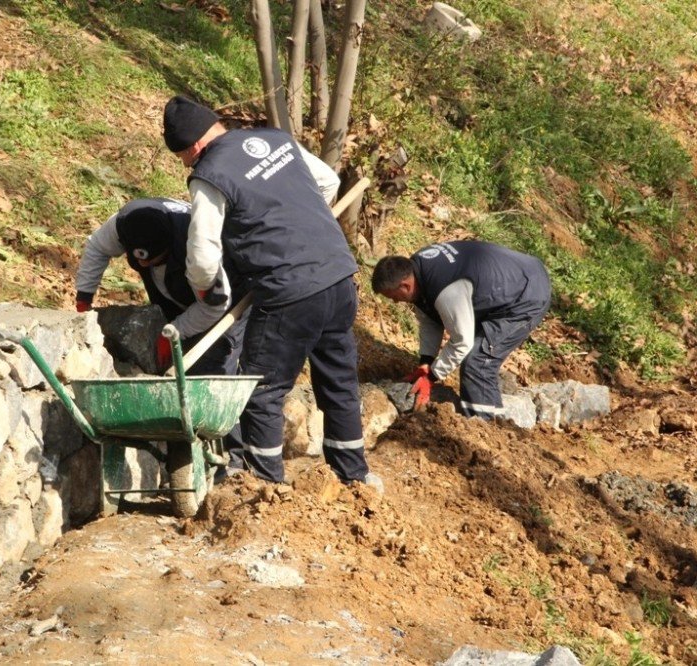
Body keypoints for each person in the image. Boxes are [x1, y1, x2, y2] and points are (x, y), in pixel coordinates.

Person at [161, 94, 379, 492]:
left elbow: (203, 256)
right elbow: (328, 182)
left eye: (182, 157)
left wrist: (205, 290)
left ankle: (264, 490)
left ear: (191, 146)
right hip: (338, 276)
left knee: (262, 390)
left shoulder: (209, 174)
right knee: (339, 384)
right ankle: (355, 478)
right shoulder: (275, 140)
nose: (186, 165)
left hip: (288, 290)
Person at [371, 240, 551, 420]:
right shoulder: (417, 270)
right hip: (510, 280)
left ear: (405, 286)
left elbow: (462, 342)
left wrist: (431, 378)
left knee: (478, 361)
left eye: (393, 297)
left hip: (526, 294)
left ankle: (483, 428)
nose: (394, 302)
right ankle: (490, 420)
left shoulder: (447, 289)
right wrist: (426, 362)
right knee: (477, 357)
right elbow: (430, 319)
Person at [74, 197, 241, 377]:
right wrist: (84, 298)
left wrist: (176, 331)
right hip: (176, 290)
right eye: (138, 260)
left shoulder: (199, 249)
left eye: (152, 260)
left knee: (209, 369)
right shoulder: (127, 222)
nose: (143, 265)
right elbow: (97, 247)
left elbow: (213, 306)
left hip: (230, 303)